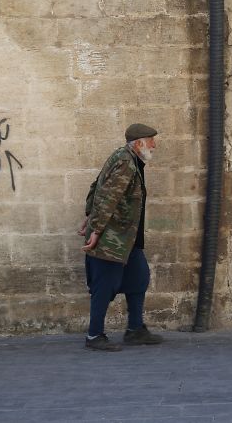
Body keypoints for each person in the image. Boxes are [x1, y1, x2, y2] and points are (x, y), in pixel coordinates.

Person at [79, 123, 164, 351]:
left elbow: (96, 185)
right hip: (112, 238)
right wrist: (96, 229)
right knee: (104, 285)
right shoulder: (126, 162)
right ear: (139, 143)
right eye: (151, 141)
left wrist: (88, 216)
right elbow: (109, 196)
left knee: (139, 278)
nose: (154, 146)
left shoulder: (127, 158)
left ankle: (135, 330)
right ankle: (94, 335)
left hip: (128, 238)